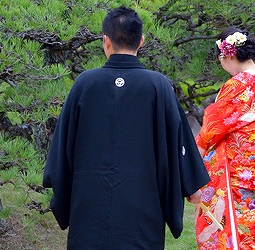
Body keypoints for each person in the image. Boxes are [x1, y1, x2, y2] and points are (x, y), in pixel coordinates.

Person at [43, 6, 210, 249]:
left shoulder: (85, 83)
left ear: (105, 40)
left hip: (90, 204)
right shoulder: (158, 85)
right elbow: (179, 142)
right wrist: (190, 184)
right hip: (143, 206)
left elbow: (63, 146)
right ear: (141, 41)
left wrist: (61, 186)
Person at [193, 27, 255, 250]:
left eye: (220, 58)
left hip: (240, 184)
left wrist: (188, 168)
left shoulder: (238, 86)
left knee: (238, 239)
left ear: (227, 54)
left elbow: (212, 128)